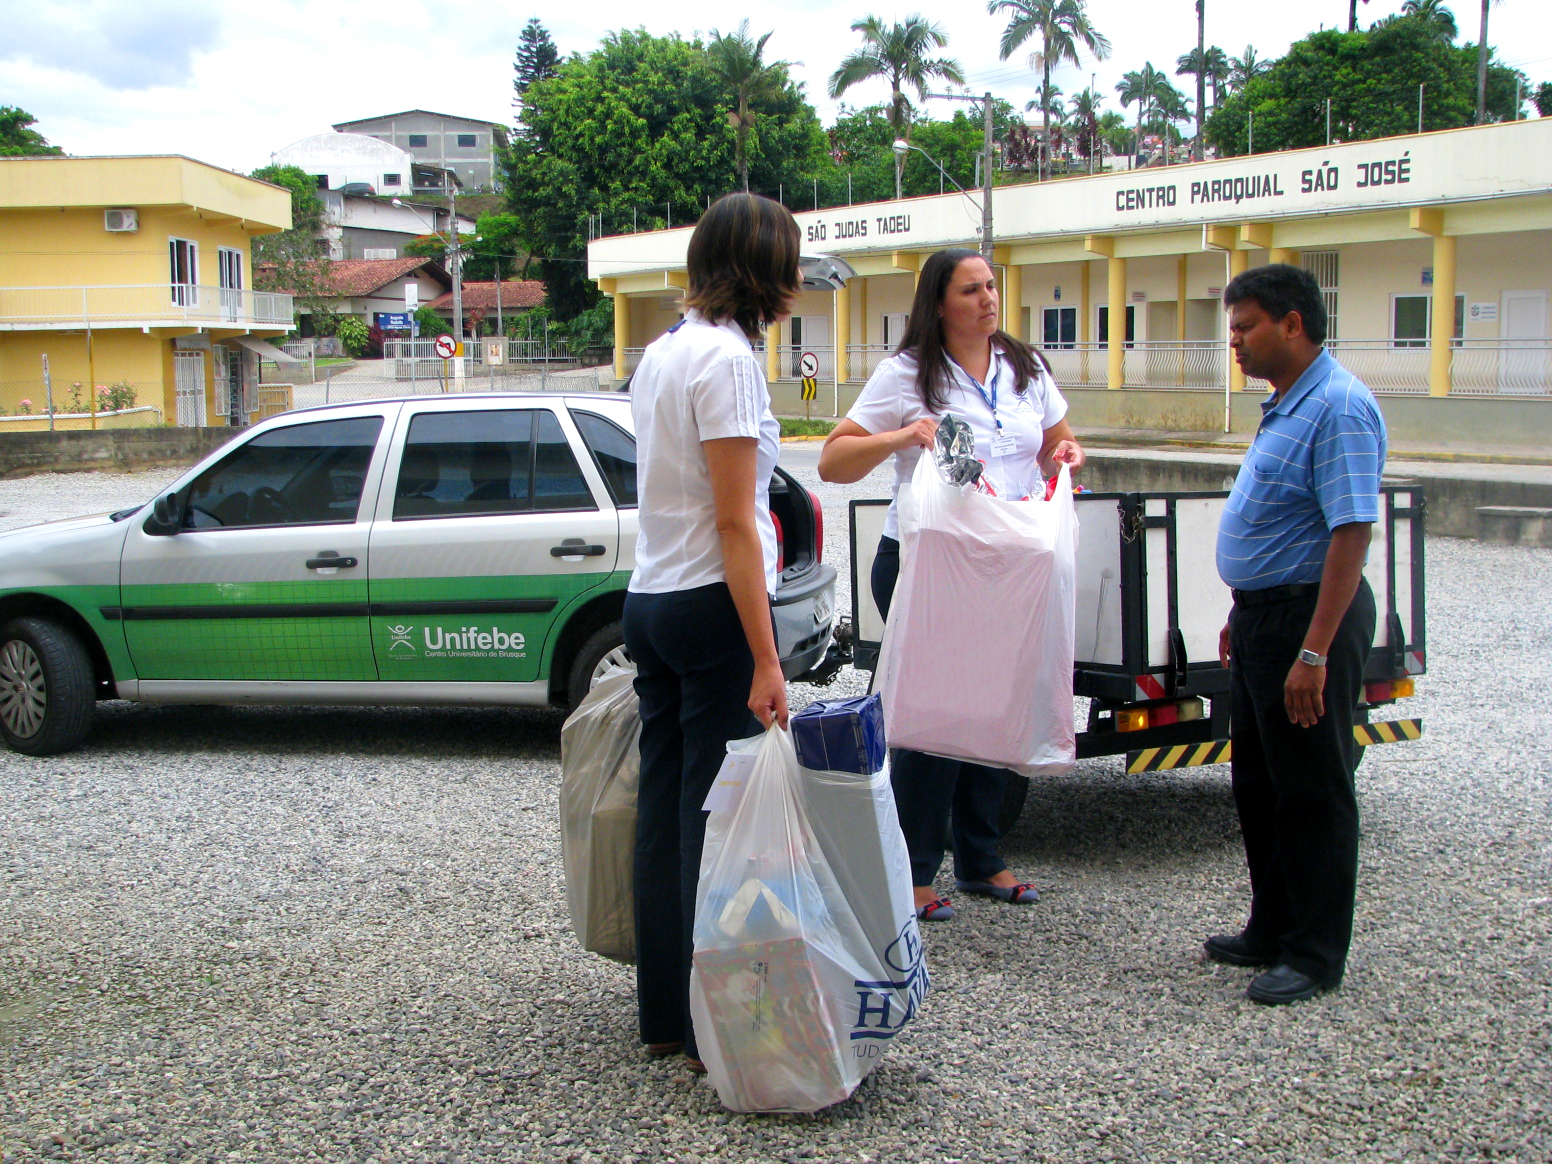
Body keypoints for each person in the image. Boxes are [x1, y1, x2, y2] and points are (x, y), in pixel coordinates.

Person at [818, 247, 1084, 922]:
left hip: (1006, 570)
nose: (988, 300)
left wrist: (1067, 453)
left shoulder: (1025, 368)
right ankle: (912, 872)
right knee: (935, 717)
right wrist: (903, 433)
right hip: (927, 566)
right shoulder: (906, 373)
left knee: (997, 709)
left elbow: (1058, 438)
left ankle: (983, 859)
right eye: (971, 290)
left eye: (992, 287)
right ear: (939, 302)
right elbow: (833, 460)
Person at [623, 192, 798, 1069]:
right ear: (763, 267)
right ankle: (709, 1027)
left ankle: (663, 1014)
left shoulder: (660, 353)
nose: (798, 279)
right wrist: (767, 658)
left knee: (665, 811)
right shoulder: (729, 362)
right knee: (715, 818)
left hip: (650, 596)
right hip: (705, 604)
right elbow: (736, 522)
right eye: (790, 261)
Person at [1208, 263, 1386, 1005]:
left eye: (1246, 326)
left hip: (1309, 618)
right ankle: (1272, 926)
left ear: (1292, 322)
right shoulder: (1285, 404)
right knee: (1258, 783)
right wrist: (1240, 611)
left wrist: (1313, 650)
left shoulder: (1339, 406)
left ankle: (1315, 953)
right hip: (1263, 617)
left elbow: (1350, 532)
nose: (1237, 343)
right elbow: (1277, 518)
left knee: (1313, 788)